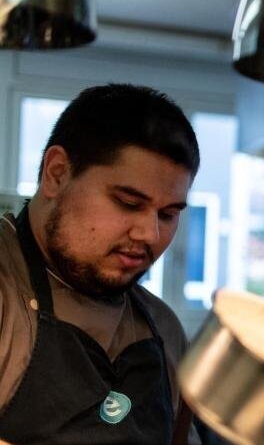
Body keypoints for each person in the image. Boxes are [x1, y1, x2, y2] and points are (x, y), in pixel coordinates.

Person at [0, 84, 200, 444]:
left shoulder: (165, 332)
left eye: (168, 214)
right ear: (57, 173)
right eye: (127, 202)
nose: (150, 234)